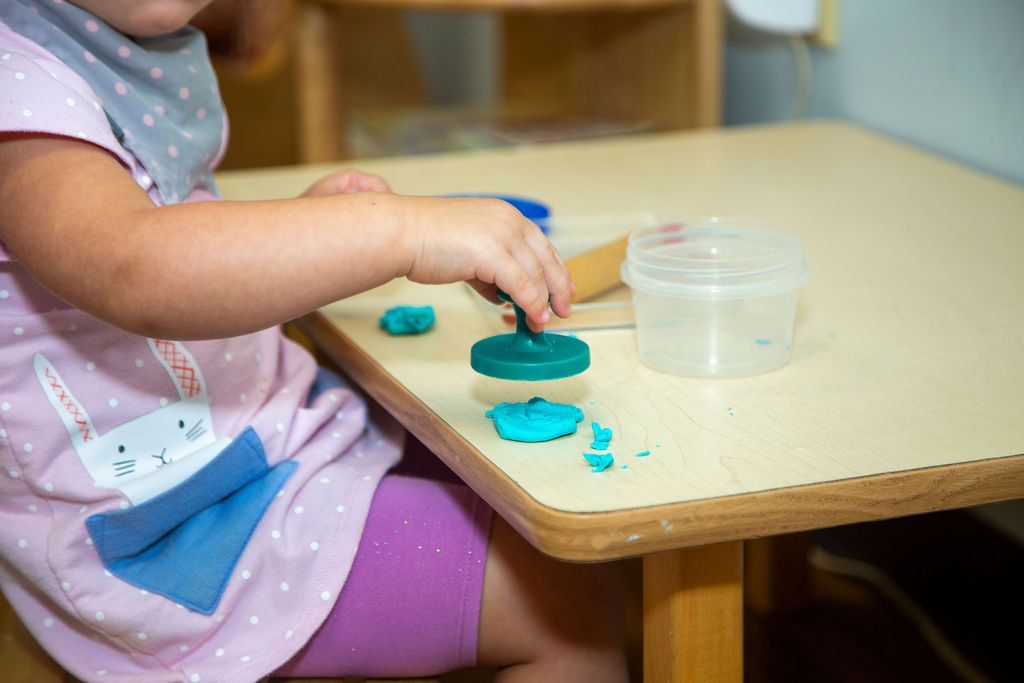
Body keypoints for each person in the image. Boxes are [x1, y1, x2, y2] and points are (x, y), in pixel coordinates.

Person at [0, 1, 627, 681]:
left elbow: (168, 228)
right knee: (567, 606)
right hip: (174, 533)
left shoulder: (114, 40)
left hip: (251, 450)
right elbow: (135, 267)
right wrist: (394, 231)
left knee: (510, 477)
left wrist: (309, 228)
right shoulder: (19, 85)